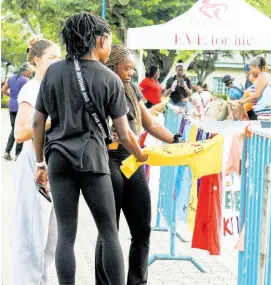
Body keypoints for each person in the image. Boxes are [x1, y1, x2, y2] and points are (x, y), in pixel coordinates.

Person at [32, 13, 147, 285]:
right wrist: (141, 156)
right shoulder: (110, 78)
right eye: (108, 41)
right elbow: (124, 132)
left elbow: (38, 121)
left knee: (66, 234)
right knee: (108, 232)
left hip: (58, 158)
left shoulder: (54, 71)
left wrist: (40, 164)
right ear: (100, 39)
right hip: (94, 160)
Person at [95, 44, 178, 285]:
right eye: (127, 68)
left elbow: (151, 124)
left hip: (134, 159)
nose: (131, 73)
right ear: (112, 66)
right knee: (109, 232)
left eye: (133, 68)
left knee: (142, 229)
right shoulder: (102, 87)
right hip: (108, 161)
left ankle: (137, 281)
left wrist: (176, 140)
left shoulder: (131, 89)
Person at [12, 35, 61, 285]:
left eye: (59, 57)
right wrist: (54, 120)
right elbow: (20, 133)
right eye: (52, 57)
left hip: (52, 166)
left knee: (49, 240)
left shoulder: (54, 87)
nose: (57, 62)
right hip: (34, 164)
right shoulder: (32, 88)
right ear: (35, 61)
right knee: (32, 238)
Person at [2, 62, 33, 160]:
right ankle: (17, 154)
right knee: (21, 129)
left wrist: (11, 96)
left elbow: (3, 90)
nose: (30, 73)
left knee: (14, 129)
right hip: (20, 107)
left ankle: (7, 152)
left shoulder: (11, 78)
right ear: (25, 70)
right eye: (30, 71)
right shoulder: (26, 80)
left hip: (11, 106)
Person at [239, 56, 271, 127]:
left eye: (251, 69)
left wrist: (244, 100)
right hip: (264, 109)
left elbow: (257, 95)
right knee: (263, 132)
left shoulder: (262, 76)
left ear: (257, 67)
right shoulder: (262, 76)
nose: (250, 72)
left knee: (265, 133)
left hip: (265, 110)